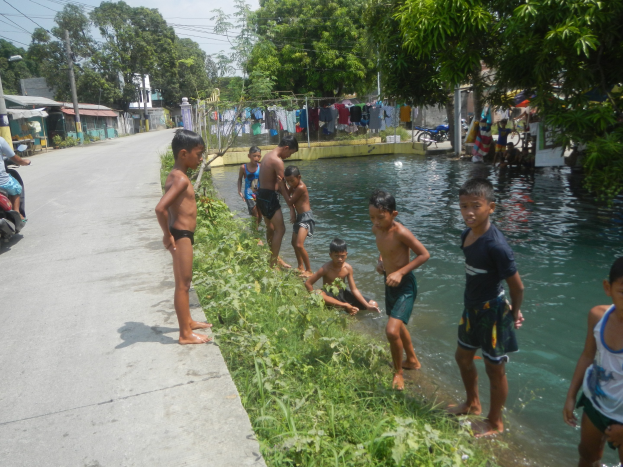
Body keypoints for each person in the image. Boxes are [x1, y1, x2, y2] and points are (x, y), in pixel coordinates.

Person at [449, 178, 525, 437]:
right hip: (471, 308)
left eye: (476, 206)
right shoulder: (466, 235)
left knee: (495, 369)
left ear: (491, 207)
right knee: (463, 357)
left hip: (493, 312)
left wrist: (513, 312)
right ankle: (472, 404)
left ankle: (495, 422)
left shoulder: (497, 246)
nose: (469, 212)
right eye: (463, 206)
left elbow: (518, 287)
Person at [563, 257, 623, 466]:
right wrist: (571, 396)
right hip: (596, 404)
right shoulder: (598, 316)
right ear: (608, 287)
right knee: (587, 457)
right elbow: (588, 355)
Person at [155, 129, 212, 345]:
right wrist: (167, 236)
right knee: (183, 285)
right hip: (181, 236)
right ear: (183, 154)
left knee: (183, 282)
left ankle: (188, 321)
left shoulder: (177, 175)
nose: (201, 158)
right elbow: (160, 208)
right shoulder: (180, 179)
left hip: (182, 234)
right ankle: (185, 334)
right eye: (198, 154)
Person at [369, 190, 430, 390]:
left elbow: (423, 254)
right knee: (399, 325)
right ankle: (412, 360)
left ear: (393, 215)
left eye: (380, 217)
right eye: (372, 217)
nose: (375, 222)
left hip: (405, 285)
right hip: (389, 284)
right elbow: (384, 251)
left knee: (391, 330)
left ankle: (398, 373)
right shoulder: (377, 230)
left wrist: (400, 273)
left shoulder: (400, 232)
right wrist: (380, 263)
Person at [305, 238, 380, 315]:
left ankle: (349, 309)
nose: (340, 259)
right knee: (318, 293)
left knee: (374, 304)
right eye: (336, 256)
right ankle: (344, 306)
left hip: (343, 294)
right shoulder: (325, 268)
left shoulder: (348, 268)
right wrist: (314, 298)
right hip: (329, 294)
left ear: (346, 255)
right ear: (330, 255)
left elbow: (354, 289)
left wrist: (367, 306)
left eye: (342, 256)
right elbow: (308, 283)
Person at [256, 135, 299, 268]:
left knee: (271, 229)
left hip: (261, 195)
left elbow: (276, 183)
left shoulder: (268, 155)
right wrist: (291, 206)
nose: (289, 156)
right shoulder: (278, 161)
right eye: (290, 153)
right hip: (269, 197)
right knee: (281, 229)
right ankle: (273, 264)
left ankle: (274, 258)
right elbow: (282, 186)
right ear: (286, 148)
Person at [284, 165, 315, 277]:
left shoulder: (301, 187)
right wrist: (284, 185)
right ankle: (300, 266)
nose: (290, 183)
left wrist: (282, 186)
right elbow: (288, 194)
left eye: (292, 180)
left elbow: (289, 200)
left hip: (306, 218)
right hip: (299, 217)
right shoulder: (294, 185)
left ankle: (309, 270)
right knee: (293, 243)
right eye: (288, 181)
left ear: (299, 177)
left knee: (299, 244)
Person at [0, 136, 30, 220]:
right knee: (16, 187)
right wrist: (24, 162)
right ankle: (17, 212)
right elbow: (14, 158)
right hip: (2, 181)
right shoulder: (1, 140)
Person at [237, 146, 262, 228]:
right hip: (249, 194)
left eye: (258, 156)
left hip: (259, 193)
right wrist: (239, 191)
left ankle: (254, 231)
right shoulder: (243, 167)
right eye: (254, 156)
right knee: (255, 215)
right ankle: (256, 237)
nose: (256, 158)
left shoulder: (260, 167)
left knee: (260, 216)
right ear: (249, 156)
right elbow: (240, 179)